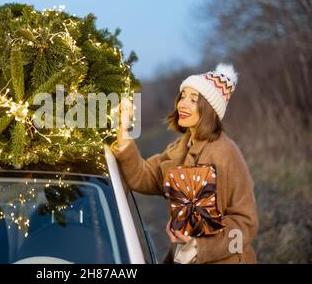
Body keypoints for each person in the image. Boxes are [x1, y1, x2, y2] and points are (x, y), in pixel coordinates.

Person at [111, 64, 258, 264]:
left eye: (193, 99)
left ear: (209, 109)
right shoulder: (178, 148)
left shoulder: (226, 153)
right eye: (182, 96)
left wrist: (199, 245)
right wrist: (123, 134)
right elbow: (143, 177)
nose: (183, 104)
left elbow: (246, 224)